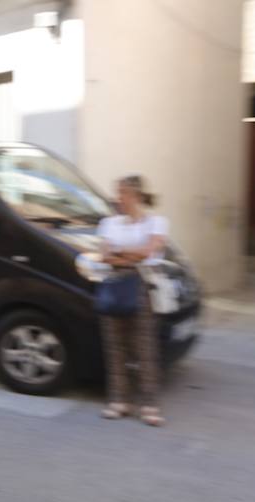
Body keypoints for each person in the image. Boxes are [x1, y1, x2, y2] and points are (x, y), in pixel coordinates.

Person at [96, 175, 168, 426]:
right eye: (118, 193)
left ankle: (150, 405)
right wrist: (130, 256)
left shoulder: (156, 222)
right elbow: (105, 256)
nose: (119, 199)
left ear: (136, 196)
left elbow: (150, 251)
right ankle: (119, 401)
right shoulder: (109, 223)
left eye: (123, 193)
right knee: (115, 346)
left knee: (144, 346)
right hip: (114, 283)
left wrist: (121, 253)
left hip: (140, 285)